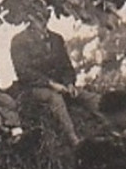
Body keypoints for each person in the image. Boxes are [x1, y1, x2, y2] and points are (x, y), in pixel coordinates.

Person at [9, 11, 83, 160]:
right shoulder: (19, 41)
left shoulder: (56, 38)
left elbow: (67, 66)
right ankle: (73, 140)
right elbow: (24, 73)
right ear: (30, 18)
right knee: (55, 99)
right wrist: (51, 84)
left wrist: (69, 84)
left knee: (89, 97)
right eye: (38, 18)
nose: (42, 22)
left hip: (61, 86)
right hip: (33, 89)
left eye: (45, 17)